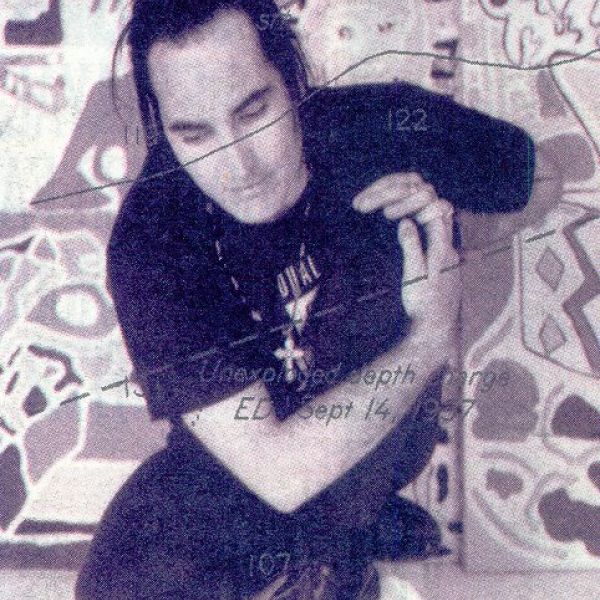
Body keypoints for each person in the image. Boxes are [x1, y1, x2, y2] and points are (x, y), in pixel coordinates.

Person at [76, 1, 535, 598]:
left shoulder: (379, 127)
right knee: (116, 585)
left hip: (365, 459)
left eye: (253, 112)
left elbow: (538, 177)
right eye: (194, 134)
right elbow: (279, 472)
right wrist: (429, 335)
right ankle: (341, 543)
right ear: (162, 126)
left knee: (378, 240)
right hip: (240, 479)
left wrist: (448, 230)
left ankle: (344, 535)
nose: (237, 164)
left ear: (292, 80)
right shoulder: (153, 239)